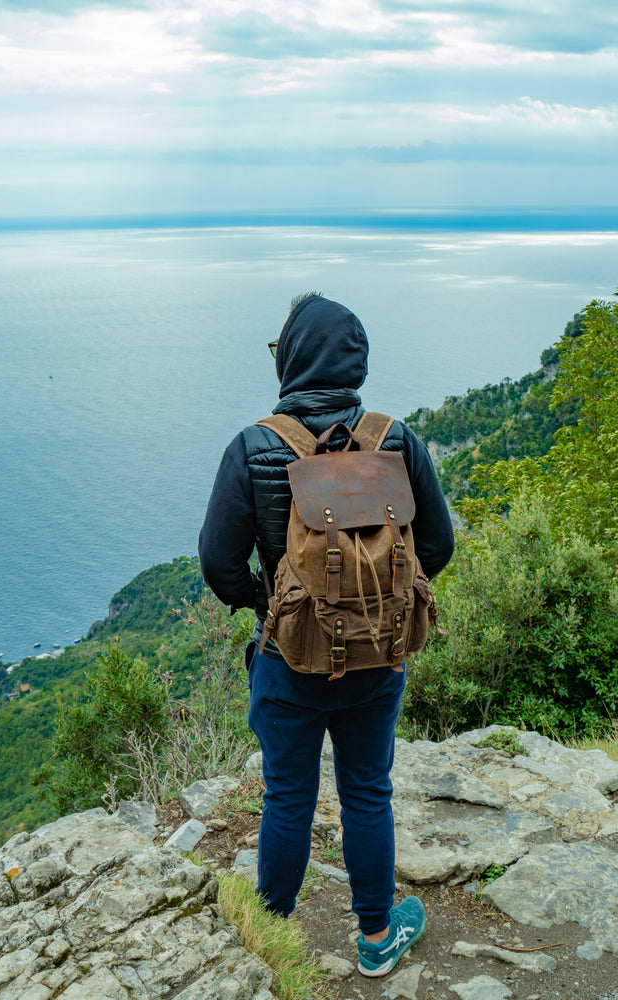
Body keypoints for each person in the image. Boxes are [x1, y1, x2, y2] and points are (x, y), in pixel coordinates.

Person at [198, 292, 454, 977]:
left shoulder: (255, 446)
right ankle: (376, 939)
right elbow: (439, 543)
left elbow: (219, 564)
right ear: (354, 357)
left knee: (287, 794)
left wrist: (270, 606)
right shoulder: (396, 440)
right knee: (368, 790)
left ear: (291, 358)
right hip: (380, 658)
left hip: (289, 661)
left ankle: (271, 941)